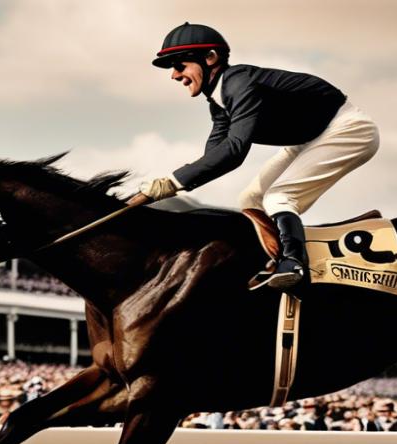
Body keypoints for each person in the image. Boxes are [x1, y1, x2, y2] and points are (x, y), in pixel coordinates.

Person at [142, 22, 380, 291]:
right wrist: (168, 186)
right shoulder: (220, 102)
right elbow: (215, 158)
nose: (174, 75)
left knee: (278, 197)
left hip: (347, 129)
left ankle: (295, 264)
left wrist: (170, 182)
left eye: (179, 65)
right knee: (251, 199)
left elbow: (234, 150)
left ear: (210, 58)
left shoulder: (240, 83)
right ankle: (276, 259)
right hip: (310, 138)